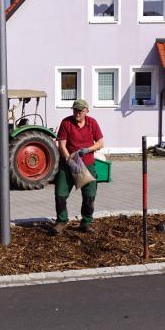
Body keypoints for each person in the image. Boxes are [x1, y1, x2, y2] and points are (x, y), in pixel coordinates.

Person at [50, 99, 105, 234]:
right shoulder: (66, 123)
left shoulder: (92, 123)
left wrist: (88, 149)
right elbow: (62, 145)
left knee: (89, 196)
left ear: (86, 111)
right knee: (60, 194)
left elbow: (100, 143)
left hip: (88, 165)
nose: (77, 113)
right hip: (68, 164)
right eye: (75, 110)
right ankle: (62, 221)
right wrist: (69, 159)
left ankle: (86, 222)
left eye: (80, 111)